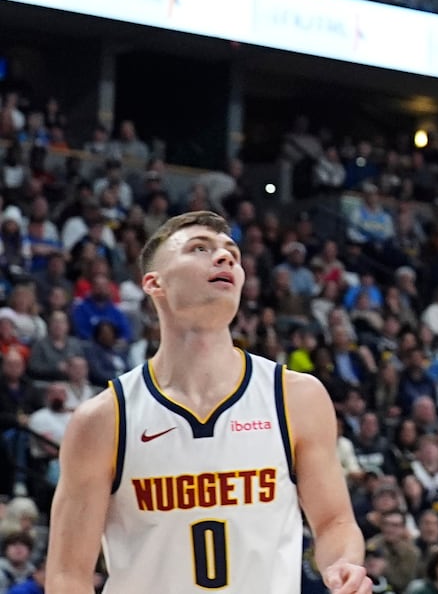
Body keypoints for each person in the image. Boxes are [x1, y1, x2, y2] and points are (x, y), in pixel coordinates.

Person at [44, 211, 373, 594]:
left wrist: (343, 564)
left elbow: (334, 521)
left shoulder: (295, 397)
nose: (224, 257)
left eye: (231, 251)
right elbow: (68, 574)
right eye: (200, 248)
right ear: (154, 283)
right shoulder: (103, 419)